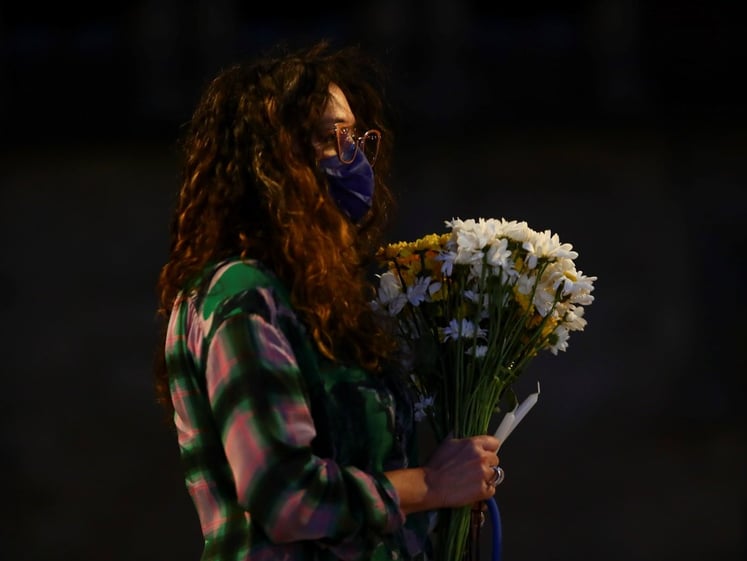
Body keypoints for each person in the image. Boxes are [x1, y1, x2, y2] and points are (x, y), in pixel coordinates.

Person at [154, 39, 503, 561]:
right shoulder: (242, 295)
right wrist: (431, 483)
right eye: (331, 137)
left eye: (356, 136)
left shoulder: (317, 301)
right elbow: (286, 496)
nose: (353, 155)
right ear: (271, 162)